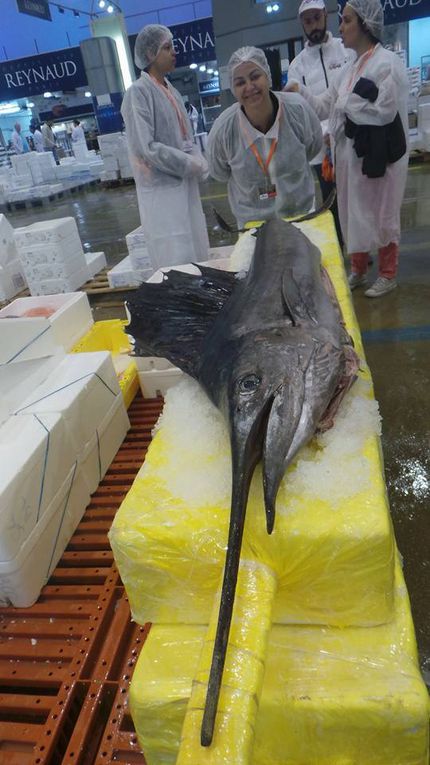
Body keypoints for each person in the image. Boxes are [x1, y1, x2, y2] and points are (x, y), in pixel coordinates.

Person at [285, 0, 409, 297]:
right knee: (355, 211)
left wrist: (345, 105)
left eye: (347, 21)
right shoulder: (350, 69)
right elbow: (324, 105)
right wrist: (299, 92)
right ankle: (358, 270)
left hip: (378, 154)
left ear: (365, 24)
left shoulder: (387, 64)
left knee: (383, 211)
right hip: (348, 157)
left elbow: (383, 111)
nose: (340, 28)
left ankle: (388, 273)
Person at [121, 24, 210, 269]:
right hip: (161, 192)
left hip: (184, 186)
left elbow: (184, 138)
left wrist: (197, 157)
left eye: (173, 47)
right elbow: (146, 147)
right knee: (174, 255)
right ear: (150, 54)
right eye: (167, 48)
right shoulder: (138, 93)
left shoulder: (172, 91)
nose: (174, 53)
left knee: (194, 247)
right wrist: (188, 163)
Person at [206, 46, 322, 228]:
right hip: (253, 228)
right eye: (240, 82)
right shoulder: (224, 130)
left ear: (267, 76)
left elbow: (314, 146)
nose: (249, 87)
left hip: (301, 219)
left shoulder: (298, 110)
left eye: (254, 77)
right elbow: (218, 171)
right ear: (233, 89)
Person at [287, 0, 355, 247]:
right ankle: (340, 246)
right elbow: (298, 110)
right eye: (308, 21)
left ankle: (359, 246)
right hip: (320, 148)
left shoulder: (345, 50)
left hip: (351, 137)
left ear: (325, 15)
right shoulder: (298, 65)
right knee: (331, 199)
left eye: (316, 18)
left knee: (354, 194)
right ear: (301, 24)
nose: (313, 25)